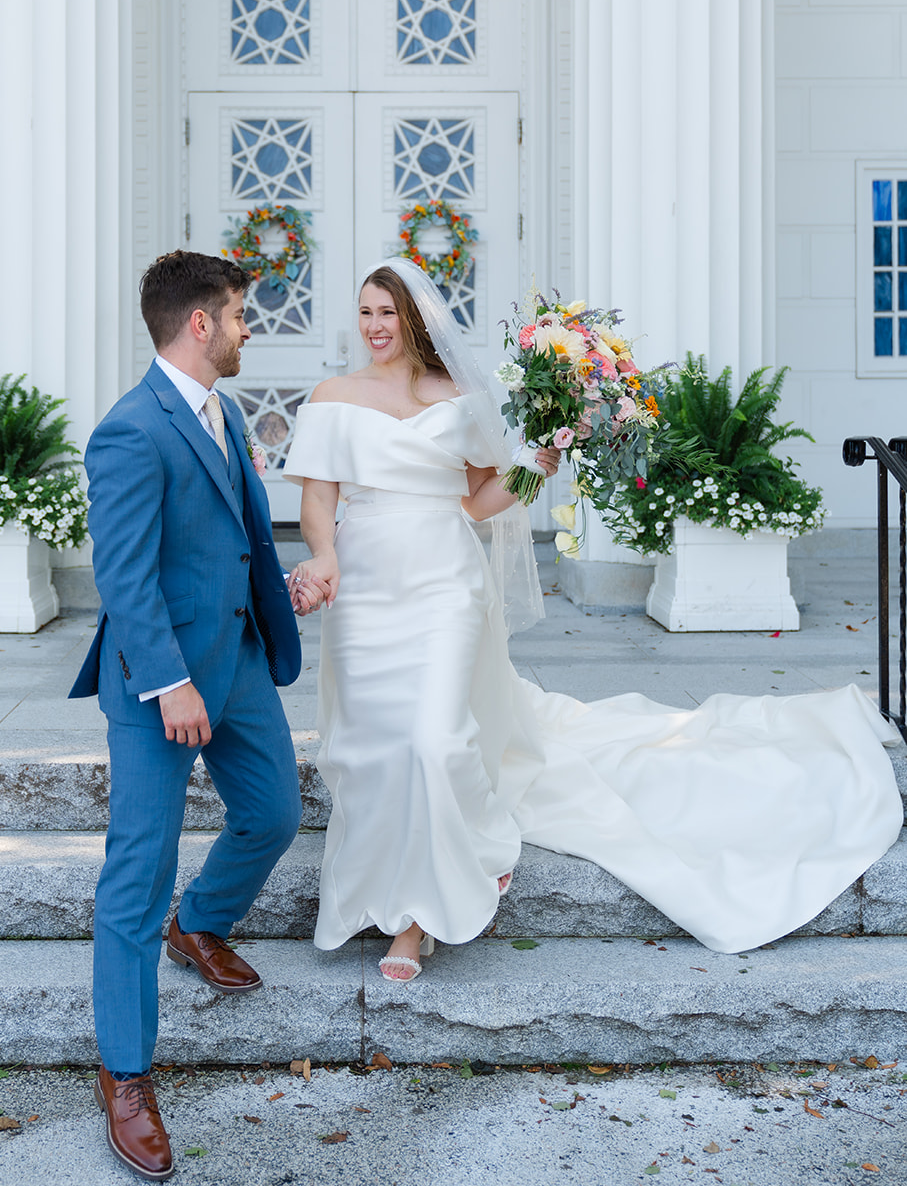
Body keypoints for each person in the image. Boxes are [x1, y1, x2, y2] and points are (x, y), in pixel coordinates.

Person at [283, 257, 904, 983]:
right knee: (370, 746)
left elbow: (477, 500)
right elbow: (318, 499)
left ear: (415, 320)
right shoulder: (332, 396)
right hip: (363, 584)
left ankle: (425, 913)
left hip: (443, 580)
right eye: (364, 313)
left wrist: (533, 470)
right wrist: (322, 559)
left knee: (432, 738)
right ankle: (372, 885)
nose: (374, 326)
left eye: (386, 313)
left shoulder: (457, 399)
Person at [69, 251, 326, 1181]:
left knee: (273, 814)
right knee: (136, 876)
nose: (250, 328)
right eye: (239, 316)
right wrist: (168, 680)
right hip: (159, 682)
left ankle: (202, 921)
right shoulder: (129, 431)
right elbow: (124, 575)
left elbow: (239, 533)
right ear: (197, 325)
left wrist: (280, 589)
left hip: (243, 658)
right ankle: (126, 1075)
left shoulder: (220, 412)